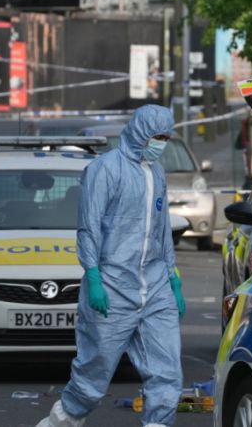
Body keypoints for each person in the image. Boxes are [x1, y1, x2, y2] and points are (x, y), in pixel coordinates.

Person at [36, 105, 186, 427]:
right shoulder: (105, 169)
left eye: (165, 137)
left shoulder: (156, 172)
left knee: (167, 372)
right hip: (114, 283)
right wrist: (93, 276)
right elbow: (89, 226)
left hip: (155, 286)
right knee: (95, 374)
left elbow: (162, 229)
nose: (161, 142)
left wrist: (173, 278)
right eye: (156, 136)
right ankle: (63, 420)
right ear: (139, 132)